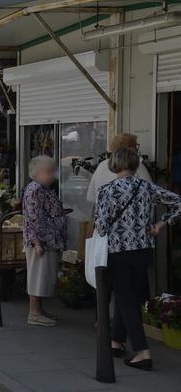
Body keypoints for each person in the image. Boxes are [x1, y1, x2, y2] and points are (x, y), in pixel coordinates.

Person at [95, 148, 181, 370]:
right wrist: (161, 225)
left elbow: (101, 225)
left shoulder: (107, 190)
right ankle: (116, 341)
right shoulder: (146, 187)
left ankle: (143, 352)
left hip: (118, 251)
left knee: (126, 299)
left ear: (114, 164)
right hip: (143, 249)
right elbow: (178, 203)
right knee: (131, 295)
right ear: (134, 164)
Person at [22, 155, 67, 327]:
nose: (53, 175)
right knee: (38, 276)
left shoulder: (43, 188)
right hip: (42, 242)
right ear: (38, 173)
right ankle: (34, 313)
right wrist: (37, 242)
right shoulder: (36, 189)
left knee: (43, 276)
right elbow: (33, 217)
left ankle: (39, 310)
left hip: (49, 240)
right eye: (49, 172)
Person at [86, 133, 152, 205]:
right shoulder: (137, 166)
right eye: (135, 146)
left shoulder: (102, 165)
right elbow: (150, 192)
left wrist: (106, 204)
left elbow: (90, 197)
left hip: (105, 213)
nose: (137, 149)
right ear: (127, 149)